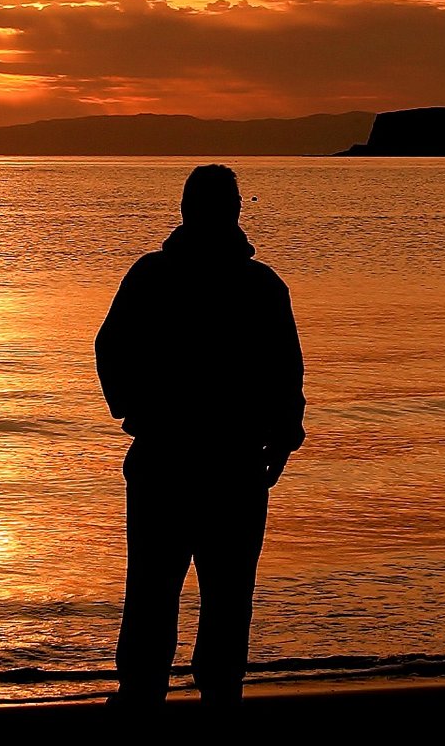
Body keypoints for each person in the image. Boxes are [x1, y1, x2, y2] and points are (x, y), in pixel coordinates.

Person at [95, 164, 305, 711]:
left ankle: (152, 699)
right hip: (220, 462)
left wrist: (136, 412)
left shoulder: (156, 278)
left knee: (158, 592)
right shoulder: (256, 286)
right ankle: (206, 699)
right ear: (233, 211)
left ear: (187, 210)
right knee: (220, 597)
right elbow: (287, 376)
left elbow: (110, 352)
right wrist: (282, 436)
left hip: (187, 461)